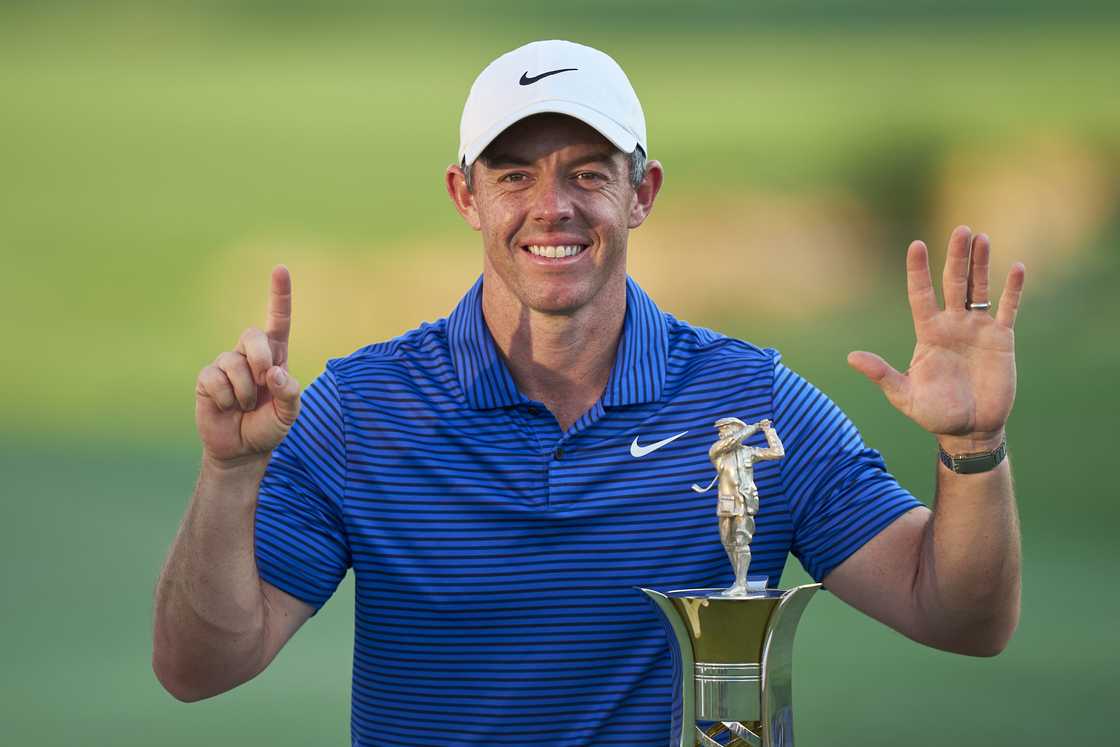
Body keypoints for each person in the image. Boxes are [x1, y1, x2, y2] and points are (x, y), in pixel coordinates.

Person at [152, 40, 1026, 746]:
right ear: (466, 195)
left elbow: (956, 612)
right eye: (514, 174)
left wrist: (973, 448)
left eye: (587, 172)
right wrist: (229, 477)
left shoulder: (754, 402)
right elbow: (200, 667)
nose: (553, 206)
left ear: (641, 192)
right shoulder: (361, 410)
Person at [701, 417, 785, 595]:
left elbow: (777, 452)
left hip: (745, 501)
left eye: (724, 428)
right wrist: (754, 427)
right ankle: (740, 580)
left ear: (735, 428)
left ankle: (740, 583)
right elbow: (731, 442)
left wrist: (768, 430)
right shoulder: (717, 451)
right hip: (726, 502)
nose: (720, 432)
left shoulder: (749, 452)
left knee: (742, 540)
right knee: (727, 541)